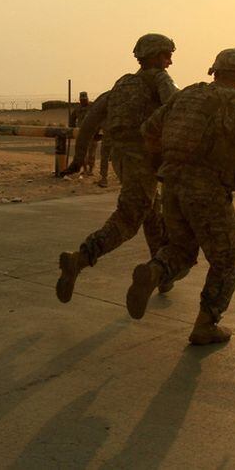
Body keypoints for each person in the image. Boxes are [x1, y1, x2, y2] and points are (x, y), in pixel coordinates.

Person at [126, 48, 235, 345]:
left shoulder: (185, 95)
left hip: (171, 184)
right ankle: (206, 324)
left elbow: (148, 129)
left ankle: (154, 271)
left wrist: (166, 158)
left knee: (182, 249)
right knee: (228, 258)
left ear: (214, 71)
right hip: (207, 190)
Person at [56, 33, 178, 304]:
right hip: (144, 160)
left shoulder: (121, 86)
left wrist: (77, 160)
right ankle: (81, 258)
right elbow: (177, 106)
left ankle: (161, 273)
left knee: (151, 211)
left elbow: (89, 123)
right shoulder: (158, 80)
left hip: (122, 159)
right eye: (167, 55)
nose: (170, 61)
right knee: (129, 218)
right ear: (156, 56)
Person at [69, 91, 97, 174]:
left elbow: (100, 118)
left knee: (92, 153)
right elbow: (72, 118)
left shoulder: (93, 107)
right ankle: (84, 169)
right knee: (82, 152)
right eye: (81, 100)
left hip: (92, 132)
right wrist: (72, 129)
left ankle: (90, 169)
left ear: (87, 98)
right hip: (81, 133)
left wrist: (99, 131)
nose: (83, 101)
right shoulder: (78, 109)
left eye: (85, 99)